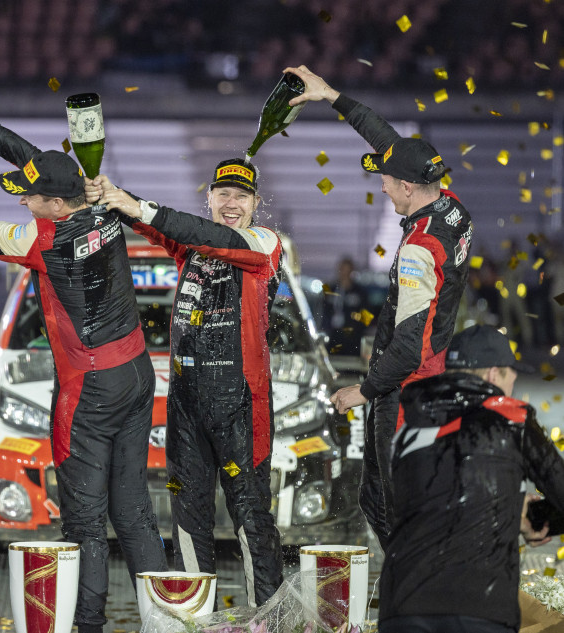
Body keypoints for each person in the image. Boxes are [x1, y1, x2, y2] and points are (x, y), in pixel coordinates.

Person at [0, 96, 167, 633]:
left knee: (85, 522)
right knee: (134, 511)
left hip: (88, 388)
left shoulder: (43, 242)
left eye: (30, 198)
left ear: (54, 204)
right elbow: (39, 159)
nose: (23, 202)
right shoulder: (103, 204)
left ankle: (87, 626)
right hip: (139, 374)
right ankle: (166, 622)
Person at [285, 64, 473, 549]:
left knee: (391, 507)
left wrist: (363, 392)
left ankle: (411, 603)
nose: (383, 187)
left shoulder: (418, 249)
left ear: (408, 187)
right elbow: (391, 141)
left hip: (405, 390)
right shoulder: (450, 206)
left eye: (387, 181)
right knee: (397, 501)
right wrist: (331, 95)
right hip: (431, 382)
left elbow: (408, 345)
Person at [88, 158, 284, 607]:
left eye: (242, 196)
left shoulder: (263, 243)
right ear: (210, 198)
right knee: (187, 517)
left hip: (240, 402)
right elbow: (165, 232)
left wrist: (139, 204)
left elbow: (203, 233)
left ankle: (267, 618)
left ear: (256, 204)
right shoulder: (194, 248)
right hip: (186, 403)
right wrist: (113, 198)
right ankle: (198, 618)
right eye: (224, 194)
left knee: (251, 515)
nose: (232, 204)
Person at [382, 325, 564, 633]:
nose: (514, 381)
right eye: (510, 374)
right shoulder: (510, 416)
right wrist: (538, 519)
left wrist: (510, 507)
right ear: (494, 374)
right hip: (478, 607)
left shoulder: (407, 430)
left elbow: (433, 501)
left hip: (402, 606)